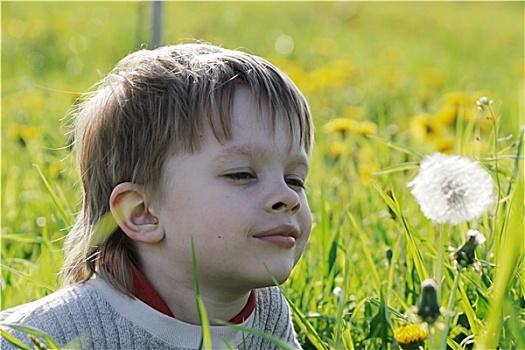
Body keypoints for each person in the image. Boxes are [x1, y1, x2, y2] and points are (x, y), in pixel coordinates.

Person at [0, 43, 314, 349]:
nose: (287, 197)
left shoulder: (267, 314)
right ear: (142, 213)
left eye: (294, 179)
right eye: (242, 174)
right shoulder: (51, 336)